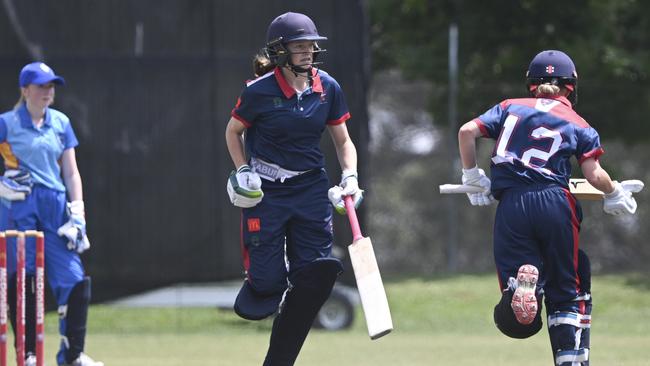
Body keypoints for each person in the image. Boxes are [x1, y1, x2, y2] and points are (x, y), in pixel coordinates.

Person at [457, 50, 640, 365]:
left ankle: (521, 286)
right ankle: (569, 359)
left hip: (513, 204)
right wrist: (613, 193)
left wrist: (472, 175)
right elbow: (594, 174)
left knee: (515, 322)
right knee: (566, 292)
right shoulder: (579, 123)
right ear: (571, 86)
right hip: (555, 203)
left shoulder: (508, 107)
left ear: (531, 84)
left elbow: (466, 131)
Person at [224, 12, 363, 366]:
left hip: (310, 188)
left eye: (311, 46)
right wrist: (242, 169)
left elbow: (343, 141)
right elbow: (233, 132)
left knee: (315, 276)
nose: (308, 52)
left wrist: (350, 176)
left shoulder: (328, 87)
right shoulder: (258, 91)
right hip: (267, 190)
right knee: (266, 286)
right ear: (279, 51)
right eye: (299, 46)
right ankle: (274, 282)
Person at [0, 62, 103, 366]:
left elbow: (71, 172)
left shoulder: (60, 122)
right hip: (19, 207)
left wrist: (79, 211)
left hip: (55, 208)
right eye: (42, 86)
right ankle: (28, 354)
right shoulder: (7, 123)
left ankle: (72, 355)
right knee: (23, 278)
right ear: (25, 90)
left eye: (51, 86)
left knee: (74, 278)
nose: (48, 92)